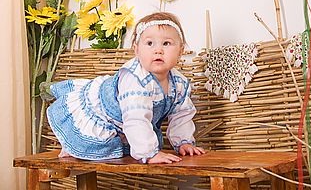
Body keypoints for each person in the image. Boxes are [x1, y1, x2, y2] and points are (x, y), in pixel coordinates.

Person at [46, 11, 205, 163]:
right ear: (136, 50)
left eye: (167, 43)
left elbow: (182, 114)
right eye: (149, 43)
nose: (158, 50)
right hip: (103, 113)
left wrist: (183, 142)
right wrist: (149, 154)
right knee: (91, 142)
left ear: (181, 50)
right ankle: (73, 146)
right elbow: (136, 117)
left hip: (127, 123)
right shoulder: (134, 79)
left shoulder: (179, 83)